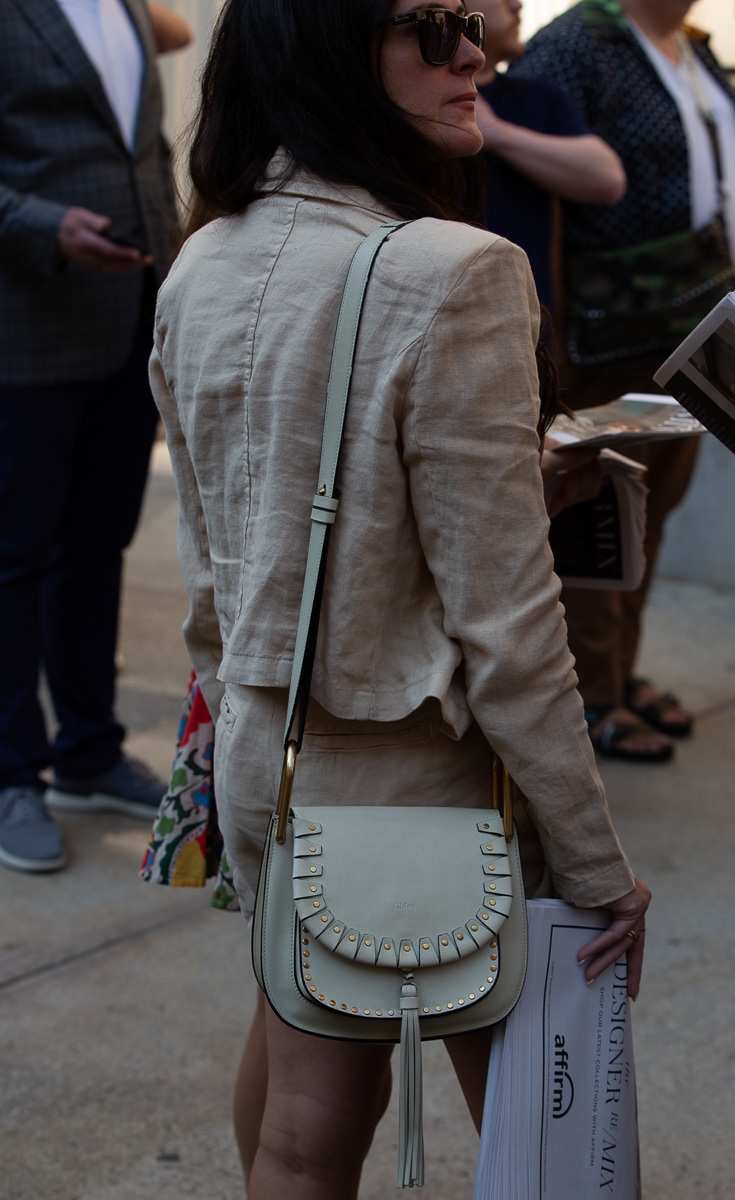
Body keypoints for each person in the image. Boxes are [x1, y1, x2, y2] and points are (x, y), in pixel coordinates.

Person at [149, 3, 651, 1195]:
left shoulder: (201, 261)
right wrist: (593, 866)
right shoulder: (454, 270)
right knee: (550, 1137)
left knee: (298, 1123)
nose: (475, 50)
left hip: (271, 761)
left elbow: (217, 564)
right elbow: (512, 634)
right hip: (429, 789)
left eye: (470, 22)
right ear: (327, 49)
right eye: (431, 27)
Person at [508, 0, 735, 764]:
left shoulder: (691, 46)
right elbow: (536, 171)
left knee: (649, 516)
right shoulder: (578, 44)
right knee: (600, 515)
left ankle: (618, 676)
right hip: (612, 337)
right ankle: (589, 697)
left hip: (694, 337)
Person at [0, 0, 187, 876]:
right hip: (28, 321)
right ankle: (11, 777)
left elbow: (140, 149)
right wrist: (40, 224)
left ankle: (87, 750)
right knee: (14, 556)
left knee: (97, 545)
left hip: (132, 312)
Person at [466, 0, 626, 311]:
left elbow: (608, 179)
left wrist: (496, 132)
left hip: (533, 325)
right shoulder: (423, 99)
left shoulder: (537, 95)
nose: (517, 4)